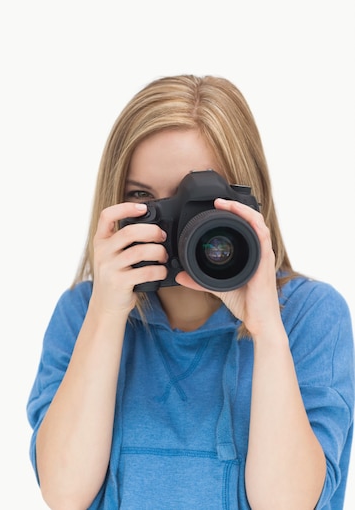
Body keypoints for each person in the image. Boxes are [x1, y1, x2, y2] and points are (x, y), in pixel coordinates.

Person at [27, 75, 354, 510]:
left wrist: (266, 328)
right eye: (141, 198)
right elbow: (65, 494)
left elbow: (288, 504)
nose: (171, 227)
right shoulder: (83, 314)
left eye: (191, 200)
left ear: (246, 201)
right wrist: (106, 315)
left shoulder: (309, 316)